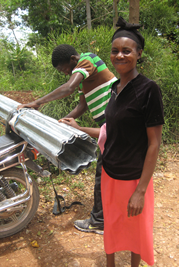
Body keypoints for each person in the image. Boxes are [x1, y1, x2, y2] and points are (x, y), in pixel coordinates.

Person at [60, 17, 164, 267]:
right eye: (115, 51)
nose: (120, 56)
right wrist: (79, 127)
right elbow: (109, 130)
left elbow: (154, 143)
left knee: (136, 229)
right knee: (113, 226)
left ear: (138, 54)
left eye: (126, 51)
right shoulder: (114, 88)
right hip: (109, 173)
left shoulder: (149, 90)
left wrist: (140, 190)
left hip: (133, 177)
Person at [17, 44, 117, 234]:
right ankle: (114, 212)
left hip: (113, 121)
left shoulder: (87, 59)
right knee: (110, 171)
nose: (65, 74)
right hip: (108, 123)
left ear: (73, 59)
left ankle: (99, 221)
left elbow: (69, 87)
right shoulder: (83, 79)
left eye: (64, 69)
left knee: (103, 175)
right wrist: (61, 123)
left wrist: (37, 102)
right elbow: (82, 106)